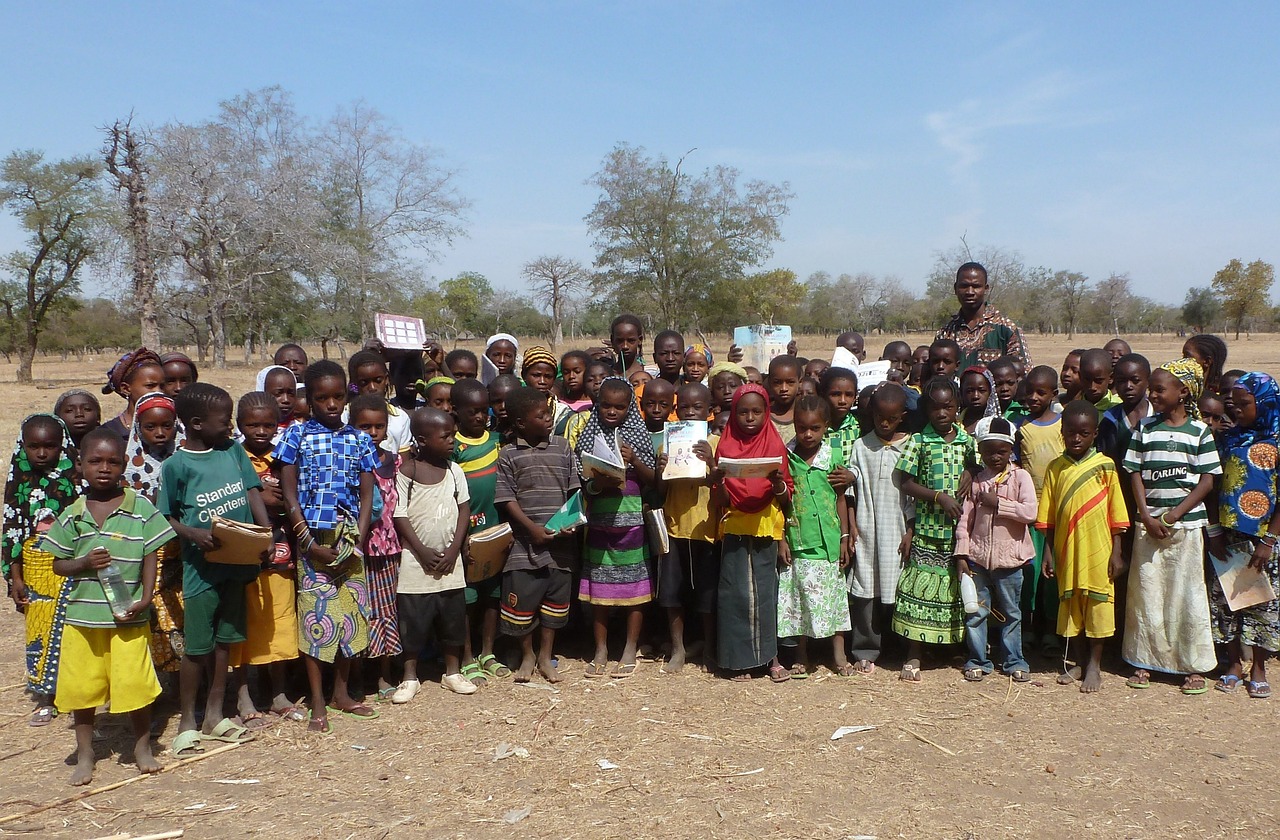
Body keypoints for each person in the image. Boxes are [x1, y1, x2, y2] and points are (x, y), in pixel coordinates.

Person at [42, 427, 175, 784]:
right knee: (81, 688)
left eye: (113, 462)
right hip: (83, 620)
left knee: (135, 686)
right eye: (95, 461)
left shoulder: (140, 507)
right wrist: (83, 563)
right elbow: (58, 564)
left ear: (124, 466)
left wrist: (146, 598)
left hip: (128, 618)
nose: (104, 468)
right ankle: (86, 754)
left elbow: (151, 554)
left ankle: (142, 748)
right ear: (80, 466)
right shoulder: (73, 515)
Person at [159, 384, 271, 755]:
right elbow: (166, 516)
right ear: (194, 424)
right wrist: (192, 532)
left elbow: (252, 491)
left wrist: (264, 533)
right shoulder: (177, 466)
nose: (231, 429)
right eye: (224, 422)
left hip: (237, 565)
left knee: (226, 640)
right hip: (201, 570)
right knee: (196, 647)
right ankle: (187, 720)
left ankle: (214, 714)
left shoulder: (233, 452)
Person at [274, 361, 381, 733]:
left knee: (351, 617)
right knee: (315, 619)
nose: (331, 404)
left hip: (349, 538)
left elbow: (367, 494)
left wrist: (359, 539)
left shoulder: (359, 439)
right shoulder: (296, 437)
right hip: (312, 540)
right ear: (310, 398)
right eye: (322, 398)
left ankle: (342, 693)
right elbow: (289, 495)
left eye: (338, 396)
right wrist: (306, 542)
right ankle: (318, 699)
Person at [1121, 360, 1220, 693]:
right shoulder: (1145, 428)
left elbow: (1206, 482)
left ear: (1183, 392)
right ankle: (1145, 662)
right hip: (1148, 527)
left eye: (1160, 389)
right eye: (1153, 389)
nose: (1153, 394)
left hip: (1186, 528)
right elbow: (1134, 472)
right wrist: (1147, 516)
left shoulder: (1199, 431)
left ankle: (1191, 665)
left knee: (1187, 595)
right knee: (1146, 594)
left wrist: (1174, 515)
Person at [1037, 400, 1130, 694]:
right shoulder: (1056, 468)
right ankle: (1077, 660)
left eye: (1084, 433)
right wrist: (1048, 552)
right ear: (1062, 432)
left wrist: (1116, 551)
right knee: (1071, 601)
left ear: (1094, 434)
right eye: (1071, 433)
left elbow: (1117, 514)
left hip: (1098, 548)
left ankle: (1095, 665)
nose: (1076, 439)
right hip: (1066, 549)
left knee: (1098, 604)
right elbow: (1048, 516)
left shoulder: (1104, 466)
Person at [495, 387, 581, 683]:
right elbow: (506, 498)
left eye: (548, 413)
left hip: (560, 543)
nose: (548, 419)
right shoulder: (509, 454)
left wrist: (570, 522)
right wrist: (531, 529)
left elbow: (573, 491)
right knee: (523, 604)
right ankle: (527, 654)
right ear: (520, 423)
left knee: (555, 603)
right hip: (523, 544)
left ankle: (546, 655)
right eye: (541, 415)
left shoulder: (562, 447)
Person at [227, 392, 302, 725]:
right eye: (251, 424)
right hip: (243, 553)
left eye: (268, 424)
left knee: (279, 622)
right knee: (244, 624)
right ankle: (243, 694)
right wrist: (256, 492)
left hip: (281, 550)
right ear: (239, 425)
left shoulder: (284, 455)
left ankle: (278, 694)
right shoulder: (231, 456)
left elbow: (297, 494)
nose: (260, 431)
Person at [390, 408, 475, 699]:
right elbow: (400, 515)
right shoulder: (406, 473)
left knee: (452, 618)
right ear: (422, 440)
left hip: (451, 562)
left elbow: (464, 508)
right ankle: (409, 676)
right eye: (446, 436)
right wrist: (422, 551)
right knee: (413, 619)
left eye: (453, 434)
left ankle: (452, 672)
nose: (453, 440)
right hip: (416, 562)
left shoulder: (455, 471)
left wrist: (453, 550)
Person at [893, 377, 974, 681]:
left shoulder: (967, 441)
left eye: (948, 407)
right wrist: (938, 497)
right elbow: (906, 481)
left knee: (953, 593)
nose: (942, 413)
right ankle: (914, 653)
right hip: (928, 529)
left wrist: (970, 470)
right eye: (935, 407)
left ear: (957, 408)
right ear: (926, 409)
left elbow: (980, 466)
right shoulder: (919, 441)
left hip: (959, 532)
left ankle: (951, 648)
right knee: (920, 592)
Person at [712, 383, 793, 682]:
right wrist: (717, 479)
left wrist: (777, 485)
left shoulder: (775, 445)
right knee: (735, 594)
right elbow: (720, 499)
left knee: (767, 593)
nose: (750, 418)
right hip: (734, 527)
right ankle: (738, 661)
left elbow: (787, 497)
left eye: (757, 412)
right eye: (743, 412)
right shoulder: (725, 445)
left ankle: (772, 658)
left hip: (766, 528)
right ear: (733, 413)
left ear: (766, 412)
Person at [575, 377, 655, 678]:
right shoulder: (589, 433)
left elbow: (653, 479)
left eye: (620, 407)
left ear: (629, 408)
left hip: (632, 523)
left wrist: (633, 461)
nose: (612, 412)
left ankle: (630, 647)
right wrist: (599, 482)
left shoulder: (638, 433)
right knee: (599, 587)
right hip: (600, 521)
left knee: (635, 586)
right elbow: (582, 482)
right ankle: (601, 649)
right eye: (605, 405)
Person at [3, 415, 80, 725]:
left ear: (62, 446)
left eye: (50, 446)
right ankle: (45, 696)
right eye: (33, 446)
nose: (42, 453)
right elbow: (11, 532)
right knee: (40, 628)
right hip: (34, 565)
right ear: (23, 446)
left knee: (75, 627)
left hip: (74, 562)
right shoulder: (19, 482)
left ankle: (77, 694)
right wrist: (15, 578)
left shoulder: (77, 479)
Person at [1210, 373, 1280, 697]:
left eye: (1244, 404)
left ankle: (1260, 667)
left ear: (1264, 403)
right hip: (1227, 534)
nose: (1236, 409)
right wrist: (1214, 531)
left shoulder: (1277, 441)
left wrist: (1268, 541)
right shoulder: (1227, 439)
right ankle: (1234, 664)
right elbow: (1213, 484)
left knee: (1262, 604)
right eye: (1233, 404)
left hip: (1266, 538)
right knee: (1230, 602)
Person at [955, 417, 1036, 682]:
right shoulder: (976, 482)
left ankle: (1014, 660)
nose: (995, 456)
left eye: (1001, 451)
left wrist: (999, 503)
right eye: (988, 451)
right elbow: (964, 523)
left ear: (1010, 450)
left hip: (1011, 561)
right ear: (979, 451)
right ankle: (978, 659)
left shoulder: (1020, 477)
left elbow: (1030, 512)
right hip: (978, 560)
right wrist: (962, 554)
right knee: (977, 613)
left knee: (1011, 613)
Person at [778, 396, 852, 676]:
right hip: (798, 539)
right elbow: (781, 503)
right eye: (801, 428)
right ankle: (801, 654)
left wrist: (844, 537)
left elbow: (840, 498)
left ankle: (838, 654)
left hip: (828, 541)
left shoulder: (832, 457)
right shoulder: (787, 457)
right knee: (799, 599)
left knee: (833, 598)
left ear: (826, 427)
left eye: (815, 428)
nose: (808, 434)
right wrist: (781, 538)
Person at [847, 386, 912, 675]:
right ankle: (865, 650)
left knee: (897, 590)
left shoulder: (911, 445)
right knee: (865, 589)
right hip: (867, 529)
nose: (884, 423)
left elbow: (912, 495)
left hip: (897, 529)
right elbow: (851, 488)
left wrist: (910, 530)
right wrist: (851, 529)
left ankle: (900, 649)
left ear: (902, 417)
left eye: (891, 418)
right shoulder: (861, 447)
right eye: (879, 417)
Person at [657, 382, 720, 673]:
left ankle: (708, 647)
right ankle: (678, 648)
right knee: (672, 594)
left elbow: (719, 484)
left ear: (710, 412)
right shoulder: (667, 444)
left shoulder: (717, 444)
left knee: (707, 594)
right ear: (675, 410)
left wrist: (710, 462)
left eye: (697, 408)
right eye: (684, 408)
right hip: (674, 527)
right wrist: (661, 469)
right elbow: (660, 487)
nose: (690, 413)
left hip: (706, 529)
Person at [122, 392, 185, 675]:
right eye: (150, 427)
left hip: (185, 551)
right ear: (138, 427)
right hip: (147, 555)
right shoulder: (127, 468)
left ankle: (189, 683)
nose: (160, 433)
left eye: (167, 425)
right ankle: (158, 683)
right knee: (156, 620)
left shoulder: (186, 458)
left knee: (184, 618)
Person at [450, 379, 507, 685]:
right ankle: (467, 657)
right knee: (468, 599)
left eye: (483, 411)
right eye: (471, 412)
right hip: (468, 534)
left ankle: (488, 651)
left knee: (492, 596)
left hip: (497, 531)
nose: (479, 417)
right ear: (455, 411)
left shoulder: (496, 440)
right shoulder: (454, 447)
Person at [347, 394, 403, 699]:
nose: (372, 432)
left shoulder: (394, 461)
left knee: (385, 611)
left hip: (388, 549)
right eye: (364, 426)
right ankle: (355, 678)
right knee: (357, 611)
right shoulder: (346, 460)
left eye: (378, 426)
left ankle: (383, 675)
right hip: (356, 549)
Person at [1014, 366, 1066, 652]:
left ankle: (1050, 631)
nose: (1033, 397)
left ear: (1053, 395)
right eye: (1029, 391)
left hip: (1056, 511)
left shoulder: (1062, 425)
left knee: (1051, 576)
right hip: (1029, 512)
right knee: (1029, 575)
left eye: (1041, 392)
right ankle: (1028, 629)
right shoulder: (1021, 428)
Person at [935, 262, 1031, 369]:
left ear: (986, 289)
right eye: (964, 286)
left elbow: (1023, 374)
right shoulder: (945, 332)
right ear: (955, 288)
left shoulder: (1007, 330)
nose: (970, 292)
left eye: (976, 286)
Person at [349, 350, 412, 454]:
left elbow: (403, 460)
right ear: (355, 384)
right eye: (364, 383)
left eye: (378, 381)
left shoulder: (400, 418)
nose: (372, 388)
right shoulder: (345, 415)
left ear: (386, 379)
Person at [100, 347, 166, 440]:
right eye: (150, 386)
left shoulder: (175, 427)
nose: (159, 392)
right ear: (126, 388)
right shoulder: (107, 434)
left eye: (162, 386)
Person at [766, 355, 802, 446]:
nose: (784, 388)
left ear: (800, 382)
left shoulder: (806, 415)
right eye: (777, 382)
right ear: (769, 383)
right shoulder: (763, 416)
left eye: (790, 382)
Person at [55, 389, 102, 454]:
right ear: (58, 418)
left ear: (98, 417)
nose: (79, 414)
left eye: (87, 409)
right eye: (70, 410)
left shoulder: (112, 447)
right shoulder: (53, 452)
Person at [256, 366, 298, 439]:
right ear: (263, 392)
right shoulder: (250, 431)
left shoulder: (300, 430)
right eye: (278, 394)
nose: (286, 400)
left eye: (291, 393)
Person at [608, 314, 645, 378]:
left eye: (631, 340)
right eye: (620, 341)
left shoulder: (649, 374)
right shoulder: (606, 375)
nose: (625, 346)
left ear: (640, 340)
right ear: (612, 340)